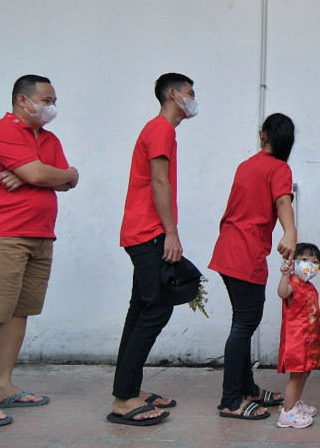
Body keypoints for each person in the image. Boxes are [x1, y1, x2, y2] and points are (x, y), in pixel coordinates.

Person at [0, 75, 79, 428]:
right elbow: (42, 175)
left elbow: (68, 180)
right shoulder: (2, 131)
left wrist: (55, 173)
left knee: (18, 313)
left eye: (55, 99)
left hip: (40, 235)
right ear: (23, 100)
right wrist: (40, 174)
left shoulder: (49, 138)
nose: (52, 106)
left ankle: (1, 385)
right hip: (0, 235)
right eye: (46, 99)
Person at [109, 73, 197, 426]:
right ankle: (123, 400)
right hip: (149, 233)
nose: (193, 99)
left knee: (140, 311)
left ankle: (129, 387)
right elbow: (159, 181)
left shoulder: (159, 129)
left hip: (142, 231)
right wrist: (170, 233)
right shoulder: (161, 128)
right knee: (155, 310)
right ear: (173, 95)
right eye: (190, 93)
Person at [209, 113, 298, 420]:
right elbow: (283, 202)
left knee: (242, 322)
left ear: (263, 136)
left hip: (228, 249)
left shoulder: (247, 165)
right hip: (244, 253)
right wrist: (290, 232)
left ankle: (246, 388)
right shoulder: (280, 168)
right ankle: (231, 400)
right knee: (244, 325)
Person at [274, 242, 320, 429]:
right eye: (304, 260)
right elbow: (282, 293)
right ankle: (286, 414)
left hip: (309, 338)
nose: (310, 265)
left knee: (305, 372)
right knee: (296, 376)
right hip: (297, 340)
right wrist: (285, 275)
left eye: (315, 261)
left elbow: (308, 309)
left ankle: (294, 404)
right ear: (294, 262)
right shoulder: (292, 285)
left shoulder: (309, 287)